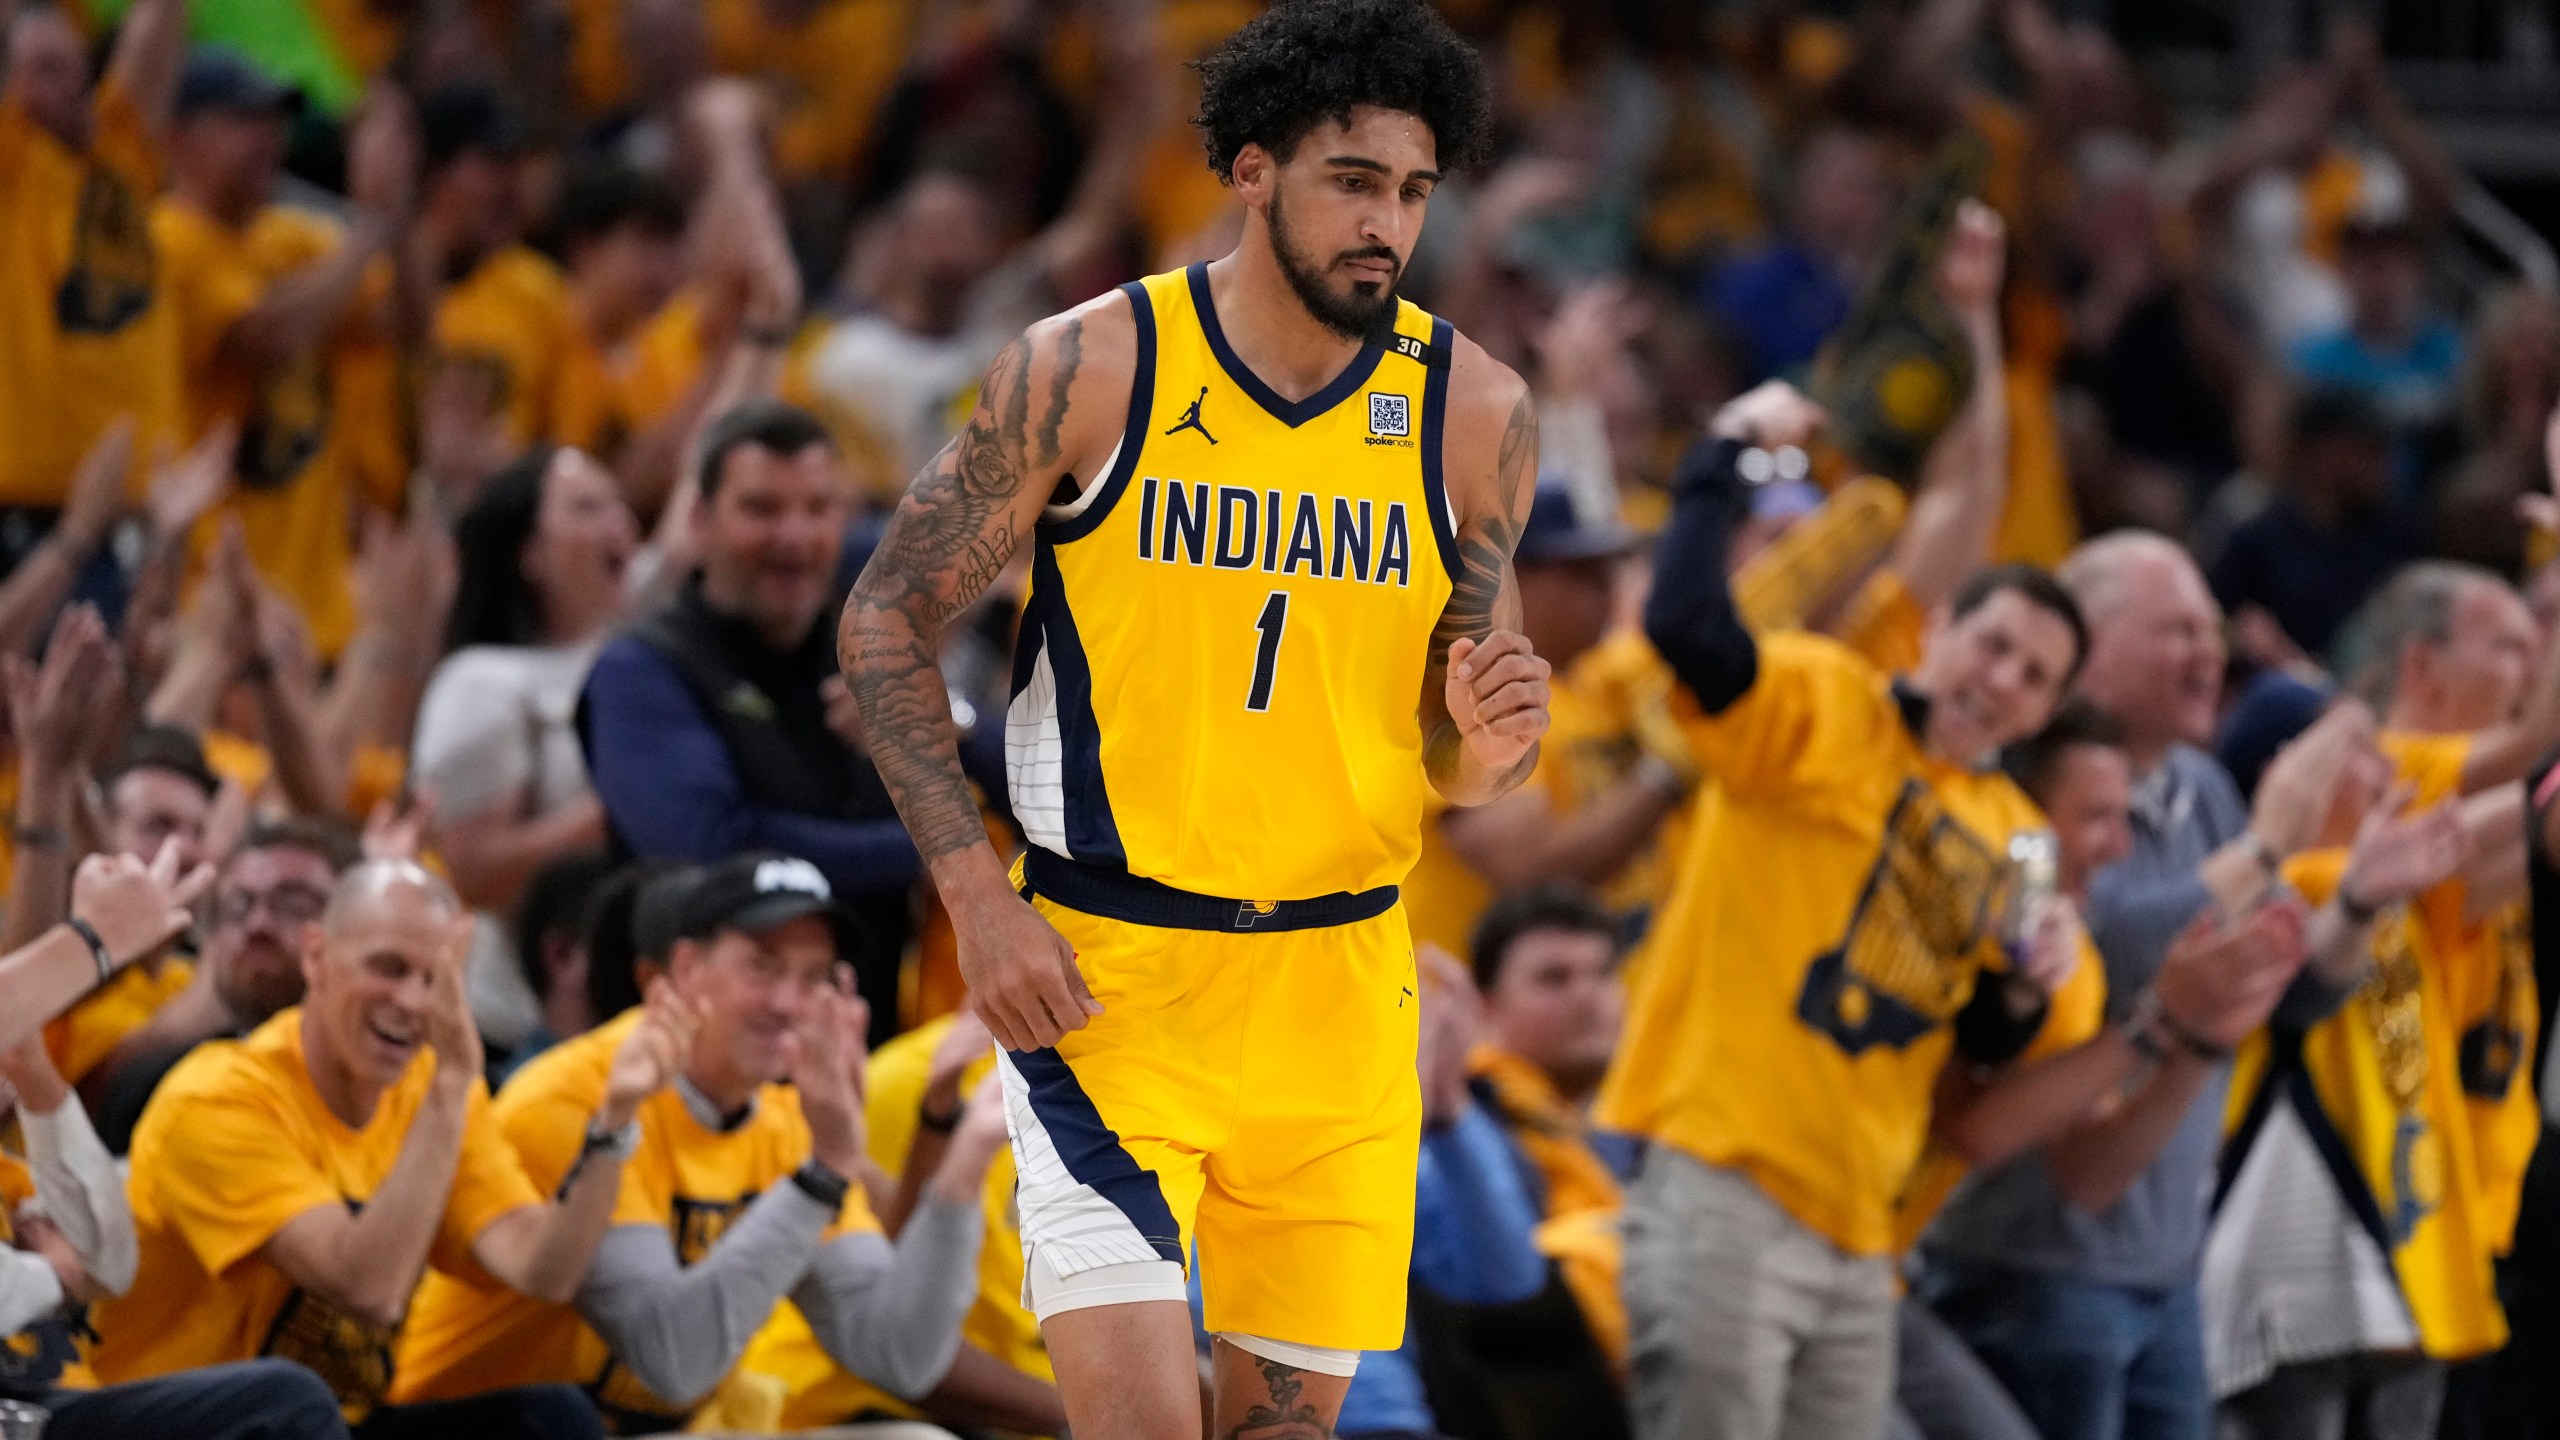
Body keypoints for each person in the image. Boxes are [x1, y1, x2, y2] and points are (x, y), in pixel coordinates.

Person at [841, 1, 1546, 1432]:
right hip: (1111, 986)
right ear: (1251, 171)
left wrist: (1495, 734)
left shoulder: (1478, 409)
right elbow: (885, 619)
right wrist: (977, 898)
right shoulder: (1090, 367)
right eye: (1354, 182)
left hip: (1340, 995)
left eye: (1414, 193)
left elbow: (1469, 770)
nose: (1387, 227)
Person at [1599, 377, 2189, 1440]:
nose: (2000, 678)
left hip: (1865, 1239)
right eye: (1991, 644)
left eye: (2034, 676)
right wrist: (1718, 457)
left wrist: (2029, 975)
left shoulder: (2017, 835)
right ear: (1940, 628)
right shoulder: (1829, 705)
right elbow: (1689, 630)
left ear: (2047, 711)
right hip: (1727, 1182)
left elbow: (1992, 1043)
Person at [1916, 530, 2431, 1440]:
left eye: (2212, 631)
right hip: (2032, 1264)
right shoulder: (2023, 786)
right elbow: (2099, 946)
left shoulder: (2202, 790)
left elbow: (2285, 994)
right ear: (2089, 644)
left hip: (2166, 1270)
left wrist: (2356, 901)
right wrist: (2265, 849)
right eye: (2177, 632)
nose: (2210, 656)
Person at [394, 850, 1045, 1433]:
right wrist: (822, 1175)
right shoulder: (579, 1098)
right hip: (473, 1421)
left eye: (815, 975)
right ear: (683, 968)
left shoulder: (784, 1117)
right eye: (763, 967)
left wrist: (961, 1171)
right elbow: (672, 1361)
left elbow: (898, 1353)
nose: (788, 1002)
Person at [89, 860, 698, 1437]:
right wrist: (453, 1084)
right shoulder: (218, 1099)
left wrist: (615, 1121)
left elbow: (542, 1269)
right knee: (290, 1398)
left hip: (325, 1419)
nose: (413, 1001)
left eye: (436, 979)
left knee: (547, 1418)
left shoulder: (430, 1092)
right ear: (315, 955)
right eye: (388, 967)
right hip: (166, 1417)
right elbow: (368, 1289)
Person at [581, 403, 918, 1038]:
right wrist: (936, 847)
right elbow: (711, 848)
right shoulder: (642, 672)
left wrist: (954, 726)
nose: (794, 537)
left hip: (863, 1048)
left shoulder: (877, 652)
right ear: (701, 521)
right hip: (690, 1067)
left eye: (817, 510)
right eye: (763, 509)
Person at [2206, 728, 2496, 1440]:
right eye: (2360, 745)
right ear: (2285, 768)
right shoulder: (2284, 888)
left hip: (2409, 1259)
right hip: (2302, 1273)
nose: (2390, 761)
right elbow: (2312, 970)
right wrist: (2360, 897)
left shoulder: (2410, 895)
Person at [149, 46, 411, 658]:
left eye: (274, 120)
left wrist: (399, 208)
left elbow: (406, 323)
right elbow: (267, 335)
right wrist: (372, 227)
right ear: (178, 136)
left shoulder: (296, 238)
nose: (267, 138)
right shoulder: (166, 239)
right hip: (215, 604)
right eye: (243, 120)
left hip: (323, 607)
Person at [0, 1033, 349, 1440]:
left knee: (288, 1405)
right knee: (288, 1401)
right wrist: (52, 1275)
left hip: (65, 1404)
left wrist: (35, 1074)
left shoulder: (10, 1177)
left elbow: (108, 1266)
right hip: (23, 1413)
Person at [415, 447, 639, 1055]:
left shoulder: (640, 654)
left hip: (635, 1010)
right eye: (587, 507)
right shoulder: (481, 681)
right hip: (516, 1023)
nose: (618, 521)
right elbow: (475, 871)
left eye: (619, 503)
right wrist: (626, 805)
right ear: (530, 554)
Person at [0, 0, 186, 554]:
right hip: (41, 516)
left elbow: (159, 23)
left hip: (145, 514)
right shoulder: (16, 169)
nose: (75, 82)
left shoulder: (118, 156)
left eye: (78, 64)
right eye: (48, 69)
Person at [91, 818, 360, 1151]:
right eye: (238, 905)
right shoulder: (151, 1088)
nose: (258, 925)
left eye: (293, 906)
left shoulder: (401, 1088)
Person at [2210, 388, 2424, 660]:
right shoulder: (2256, 543)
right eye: (2366, 451)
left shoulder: (2398, 536)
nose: (2383, 465)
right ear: (2316, 452)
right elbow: (2223, 628)